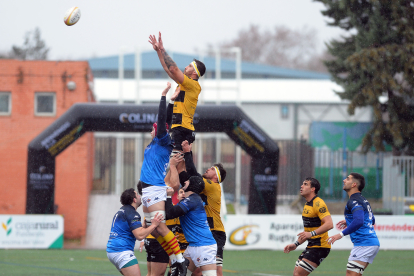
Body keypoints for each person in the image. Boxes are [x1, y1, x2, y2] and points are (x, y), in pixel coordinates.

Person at [138, 83, 187, 276]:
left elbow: (162, 120)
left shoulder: (162, 139)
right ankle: (175, 260)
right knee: (155, 230)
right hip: (148, 190)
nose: (152, 129)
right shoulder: (154, 143)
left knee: (161, 226)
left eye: (154, 128)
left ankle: (179, 260)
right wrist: (172, 103)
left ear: (160, 131)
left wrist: (163, 96)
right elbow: (164, 120)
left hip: (155, 188)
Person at [148, 32, 206, 153]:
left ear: (195, 73)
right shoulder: (185, 84)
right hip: (181, 128)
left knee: (175, 164)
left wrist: (163, 49)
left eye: (189, 66)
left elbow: (173, 69)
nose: (185, 67)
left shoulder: (193, 84)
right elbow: (167, 68)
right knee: (178, 166)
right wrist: (158, 51)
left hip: (182, 128)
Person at [181, 141, 227, 276]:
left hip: (215, 232)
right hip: (203, 234)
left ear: (216, 177)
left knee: (217, 271)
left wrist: (188, 153)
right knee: (192, 272)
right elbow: (190, 176)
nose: (208, 169)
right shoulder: (204, 184)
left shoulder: (213, 186)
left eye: (212, 169)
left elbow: (193, 175)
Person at [165, 160, 217, 276]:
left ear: (191, 185)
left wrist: (168, 196)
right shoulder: (191, 200)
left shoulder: (192, 200)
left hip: (204, 246)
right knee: (180, 274)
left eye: (187, 181)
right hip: (193, 246)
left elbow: (170, 213)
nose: (185, 182)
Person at [327, 173, 380, 276]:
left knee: (351, 274)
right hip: (371, 242)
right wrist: (349, 221)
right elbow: (371, 220)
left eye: (347, 179)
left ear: (354, 184)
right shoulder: (363, 200)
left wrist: (340, 235)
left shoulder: (354, 200)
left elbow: (359, 221)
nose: (344, 180)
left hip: (364, 243)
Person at [106, 188, 163, 276]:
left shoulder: (123, 210)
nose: (140, 196)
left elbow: (130, 229)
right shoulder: (132, 213)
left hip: (112, 250)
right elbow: (139, 236)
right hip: (122, 252)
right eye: (138, 195)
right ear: (134, 199)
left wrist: (143, 226)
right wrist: (154, 225)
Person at [284, 178, 333, 276]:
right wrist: (296, 244)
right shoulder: (307, 205)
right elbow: (307, 233)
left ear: (312, 189)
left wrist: (311, 234)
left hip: (320, 247)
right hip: (311, 246)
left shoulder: (318, 203)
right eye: (302, 184)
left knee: (299, 274)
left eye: (305, 184)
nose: (301, 186)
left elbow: (329, 224)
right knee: (296, 274)